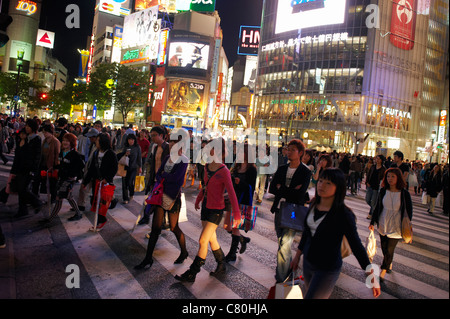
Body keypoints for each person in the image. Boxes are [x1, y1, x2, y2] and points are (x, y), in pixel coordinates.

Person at [291, 168, 380, 299]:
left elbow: (356, 246)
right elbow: (307, 234)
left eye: (328, 183)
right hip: (308, 262)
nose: (322, 185)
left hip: (327, 267)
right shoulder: (314, 205)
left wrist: (371, 276)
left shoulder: (344, 214)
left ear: (338, 187)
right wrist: (297, 256)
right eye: (320, 181)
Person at [175, 138, 241, 282]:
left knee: (203, 240)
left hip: (216, 210)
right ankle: (222, 264)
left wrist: (237, 214)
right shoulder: (206, 167)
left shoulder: (224, 171)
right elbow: (205, 187)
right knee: (211, 239)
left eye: (208, 148)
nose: (205, 150)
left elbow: (231, 193)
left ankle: (193, 272)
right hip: (206, 207)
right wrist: (199, 199)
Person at [135, 132, 189, 270]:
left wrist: (165, 177)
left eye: (175, 142)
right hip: (160, 196)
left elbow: (177, 180)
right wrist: (165, 176)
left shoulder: (183, 160)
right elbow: (159, 175)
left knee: (173, 227)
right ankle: (148, 258)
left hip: (172, 198)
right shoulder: (167, 158)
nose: (171, 144)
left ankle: (184, 252)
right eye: (170, 141)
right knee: (155, 229)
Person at [268, 139, 312, 283]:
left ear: (300, 153)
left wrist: (283, 189)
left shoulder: (305, 172)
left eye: (293, 149)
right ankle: (289, 272)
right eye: (288, 149)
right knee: (282, 242)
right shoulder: (281, 169)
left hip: (294, 210)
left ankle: (281, 279)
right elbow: (272, 188)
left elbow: (300, 194)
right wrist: (290, 190)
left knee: (284, 245)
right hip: (279, 208)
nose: (289, 152)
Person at [369, 167, 413, 281]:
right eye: (388, 176)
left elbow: (409, 212)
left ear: (398, 178)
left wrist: (407, 225)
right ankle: (389, 262)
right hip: (383, 223)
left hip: (397, 226)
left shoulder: (404, 194)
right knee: (384, 247)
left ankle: (383, 270)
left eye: (393, 176)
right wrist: (372, 222)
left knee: (389, 249)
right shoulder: (383, 191)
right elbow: (378, 207)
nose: (390, 179)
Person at [40, 133, 85, 223]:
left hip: (69, 179)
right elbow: (61, 164)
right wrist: (55, 168)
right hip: (61, 178)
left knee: (59, 198)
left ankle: (50, 218)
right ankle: (78, 213)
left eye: (67, 141)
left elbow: (81, 165)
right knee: (69, 197)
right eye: (64, 140)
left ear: (72, 143)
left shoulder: (74, 154)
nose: (64, 142)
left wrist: (72, 174)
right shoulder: (62, 152)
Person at [224, 142, 257, 262]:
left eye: (241, 151)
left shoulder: (252, 169)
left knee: (234, 226)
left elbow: (251, 187)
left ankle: (232, 253)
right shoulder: (236, 166)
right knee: (227, 226)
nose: (238, 153)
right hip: (232, 198)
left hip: (241, 200)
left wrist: (240, 183)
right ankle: (242, 240)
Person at [82, 133, 118, 230]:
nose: (95, 142)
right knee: (95, 200)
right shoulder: (96, 153)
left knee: (102, 202)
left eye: (97, 141)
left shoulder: (110, 153)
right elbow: (92, 168)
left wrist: (107, 178)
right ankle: (100, 219)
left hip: (105, 182)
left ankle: (101, 220)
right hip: (96, 181)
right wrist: (85, 182)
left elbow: (114, 168)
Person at [11, 119, 43, 217]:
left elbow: (37, 156)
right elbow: (19, 154)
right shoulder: (25, 138)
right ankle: (22, 209)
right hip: (21, 167)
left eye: (28, 126)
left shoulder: (36, 139)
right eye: (26, 126)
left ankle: (36, 202)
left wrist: (34, 170)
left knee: (23, 189)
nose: (26, 128)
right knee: (20, 189)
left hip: (29, 168)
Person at [140, 126, 169, 225]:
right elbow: (153, 164)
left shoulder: (168, 148)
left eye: (154, 135)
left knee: (161, 201)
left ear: (161, 135)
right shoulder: (155, 147)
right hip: (155, 179)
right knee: (150, 198)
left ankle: (162, 221)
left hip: (163, 181)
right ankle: (146, 216)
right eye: (151, 135)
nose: (152, 138)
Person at [33, 124, 60, 204]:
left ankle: (53, 198)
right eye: (44, 132)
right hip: (42, 164)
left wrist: (55, 166)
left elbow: (57, 154)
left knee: (52, 183)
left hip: (51, 165)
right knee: (37, 181)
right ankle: (35, 197)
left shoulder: (55, 141)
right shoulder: (44, 141)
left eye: (45, 132)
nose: (44, 134)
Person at [117, 134, 142, 204]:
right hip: (125, 167)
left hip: (133, 167)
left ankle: (131, 194)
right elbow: (121, 156)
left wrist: (140, 167)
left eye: (132, 139)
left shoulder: (137, 147)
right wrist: (125, 154)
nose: (131, 141)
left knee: (130, 182)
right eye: (130, 139)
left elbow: (139, 157)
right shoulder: (125, 147)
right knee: (124, 183)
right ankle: (125, 198)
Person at [365, 155, 386, 220]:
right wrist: (367, 182)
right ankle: (375, 211)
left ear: (382, 160)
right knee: (367, 200)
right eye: (377, 158)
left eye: (379, 159)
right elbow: (368, 174)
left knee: (373, 202)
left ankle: (371, 214)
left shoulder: (383, 169)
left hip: (376, 187)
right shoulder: (373, 167)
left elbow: (383, 178)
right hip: (370, 185)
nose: (377, 160)